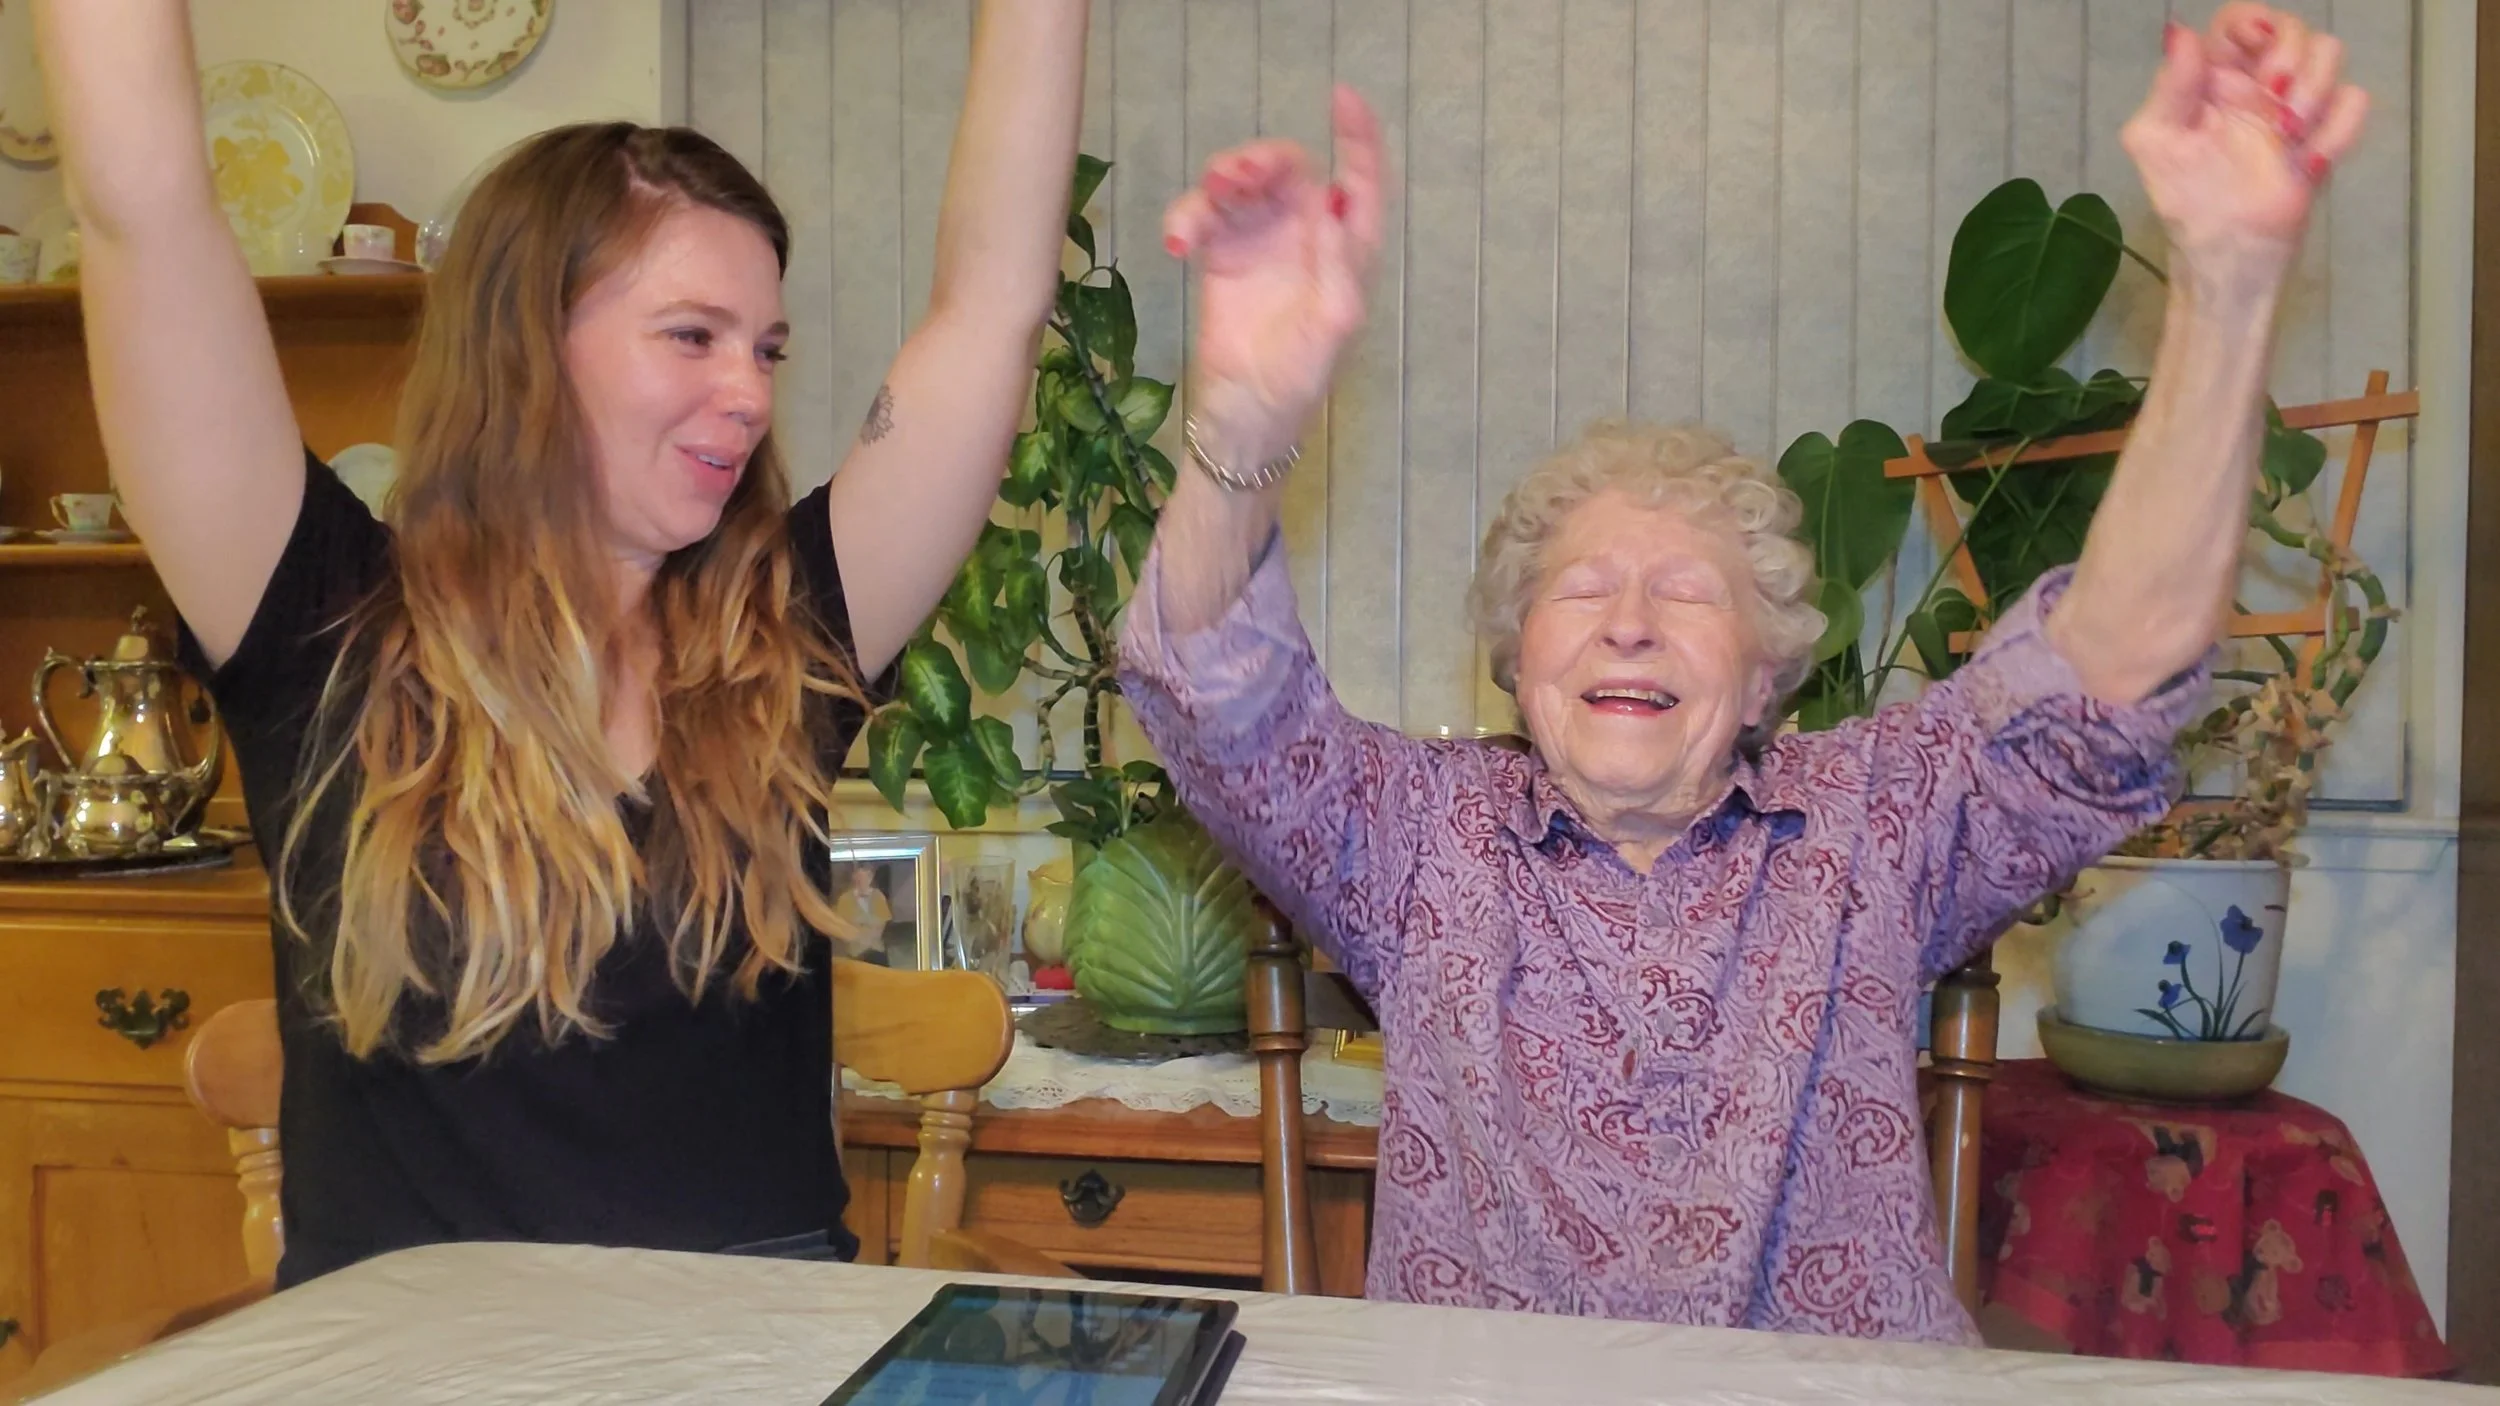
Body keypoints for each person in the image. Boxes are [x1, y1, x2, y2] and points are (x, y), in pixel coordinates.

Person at [1123, 4, 2363, 1343]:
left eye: (1690, 592)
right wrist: (1241, 419)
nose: (1631, 623)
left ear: (1769, 674)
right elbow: (1214, 693)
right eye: (1583, 589)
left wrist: (2232, 288)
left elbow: (2110, 686)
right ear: (1515, 655)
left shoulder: (1876, 821)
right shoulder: (1417, 840)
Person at [33, 0, 1084, 1284]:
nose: (750, 392)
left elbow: (992, 308)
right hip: (417, 1375)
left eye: (766, 347)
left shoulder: (782, 632)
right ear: (527, 341)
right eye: (691, 335)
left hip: (747, 1363)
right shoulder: (322, 622)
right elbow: (141, 205)